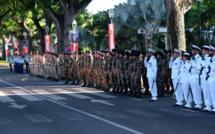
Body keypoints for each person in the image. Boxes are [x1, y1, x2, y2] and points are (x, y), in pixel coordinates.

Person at [190, 45, 202, 110]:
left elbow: (198, 68)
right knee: (194, 91)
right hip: (192, 75)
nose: (192, 51)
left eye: (193, 50)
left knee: (197, 90)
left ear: (196, 51)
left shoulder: (198, 58)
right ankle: (196, 103)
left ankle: (199, 104)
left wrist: (193, 64)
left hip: (196, 76)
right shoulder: (193, 58)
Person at [201, 46, 213, 112]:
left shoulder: (209, 58)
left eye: (203, 50)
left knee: (208, 91)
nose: (202, 51)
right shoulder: (203, 58)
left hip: (207, 76)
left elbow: (207, 66)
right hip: (203, 76)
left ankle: (209, 105)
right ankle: (207, 105)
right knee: (205, 91)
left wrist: (203, 63)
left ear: (207, 51)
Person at [207, 45, 215, 114]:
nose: (209, 52)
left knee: (214, 93)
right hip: (210, 78)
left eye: (210, 51)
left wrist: (210, 65)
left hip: (214, 77)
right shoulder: (211, 59)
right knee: (212, 94)